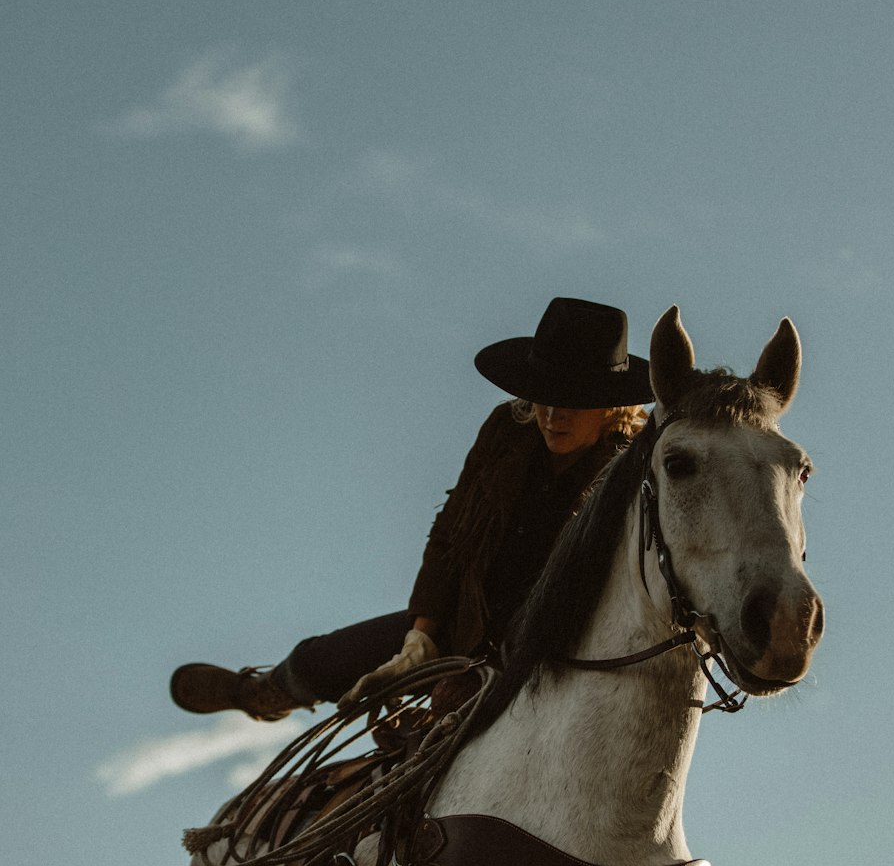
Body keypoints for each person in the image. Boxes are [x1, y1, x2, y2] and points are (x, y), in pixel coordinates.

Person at [170, 297, 651, 721]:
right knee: (322, 660)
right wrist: (420, 639)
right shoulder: (507, 431)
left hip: (557, 646)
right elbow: (451, 531)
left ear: (609, 405)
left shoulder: (631, 471)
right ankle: (260, 695)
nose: (552, 414)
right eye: (543, 396)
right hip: (465, 617)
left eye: (572, 400)